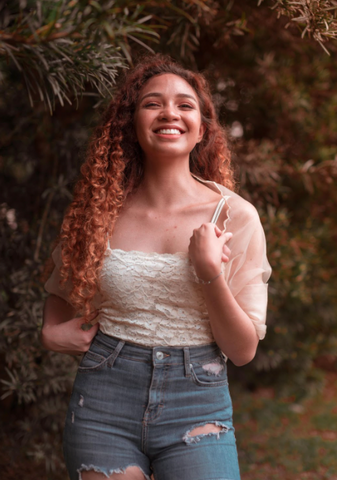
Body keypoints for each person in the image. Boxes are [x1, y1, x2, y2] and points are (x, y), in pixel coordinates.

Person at [42, 54, 271, 480]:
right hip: (104, 399)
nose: (170, 112)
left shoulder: (234, 216)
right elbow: (58, 294)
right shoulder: (98, 212)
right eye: (153, 103)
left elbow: (242, 351)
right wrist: (52, 332)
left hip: (198, 403)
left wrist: (209, 273)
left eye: (185, 105)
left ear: (202, 128)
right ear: (131, 123)